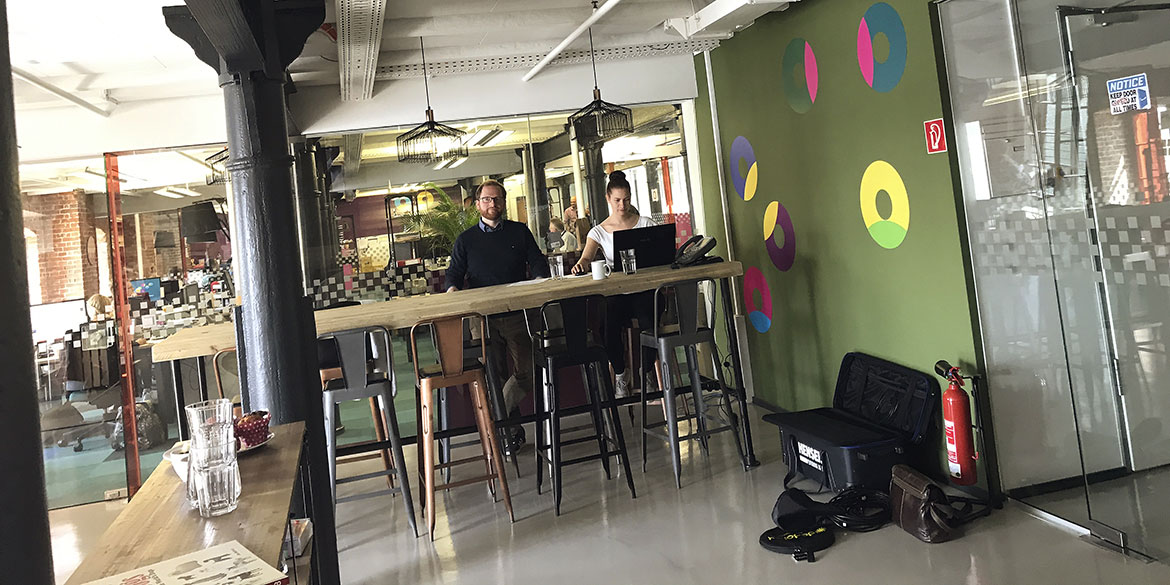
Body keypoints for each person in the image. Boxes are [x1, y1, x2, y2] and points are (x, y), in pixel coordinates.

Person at [445, 179, 549, 454]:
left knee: (527, 371)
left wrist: (540, 279)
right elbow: (454, 273)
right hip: (481, 317)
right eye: (487, 199)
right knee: (495, 376)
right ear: (478, 204)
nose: (492, 203)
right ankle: (510, 434)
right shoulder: (466, 239)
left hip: (517, 312)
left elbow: (537, 260)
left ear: (503, 202)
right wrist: (452, 288)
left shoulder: (519, 231)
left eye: (497, 199)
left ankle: (494, 419)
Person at [571, 171, 657, 397]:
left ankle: (647, 370)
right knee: (606, 326)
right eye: (617, 200)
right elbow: (586, 257)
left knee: (651, 322)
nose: (622, 205)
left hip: (644, 289)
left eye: (626, 199)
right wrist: (580, 265)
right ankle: (620, 373)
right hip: (617, 293)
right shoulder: (599, 231)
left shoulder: (646, 223)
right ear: (608, 198)